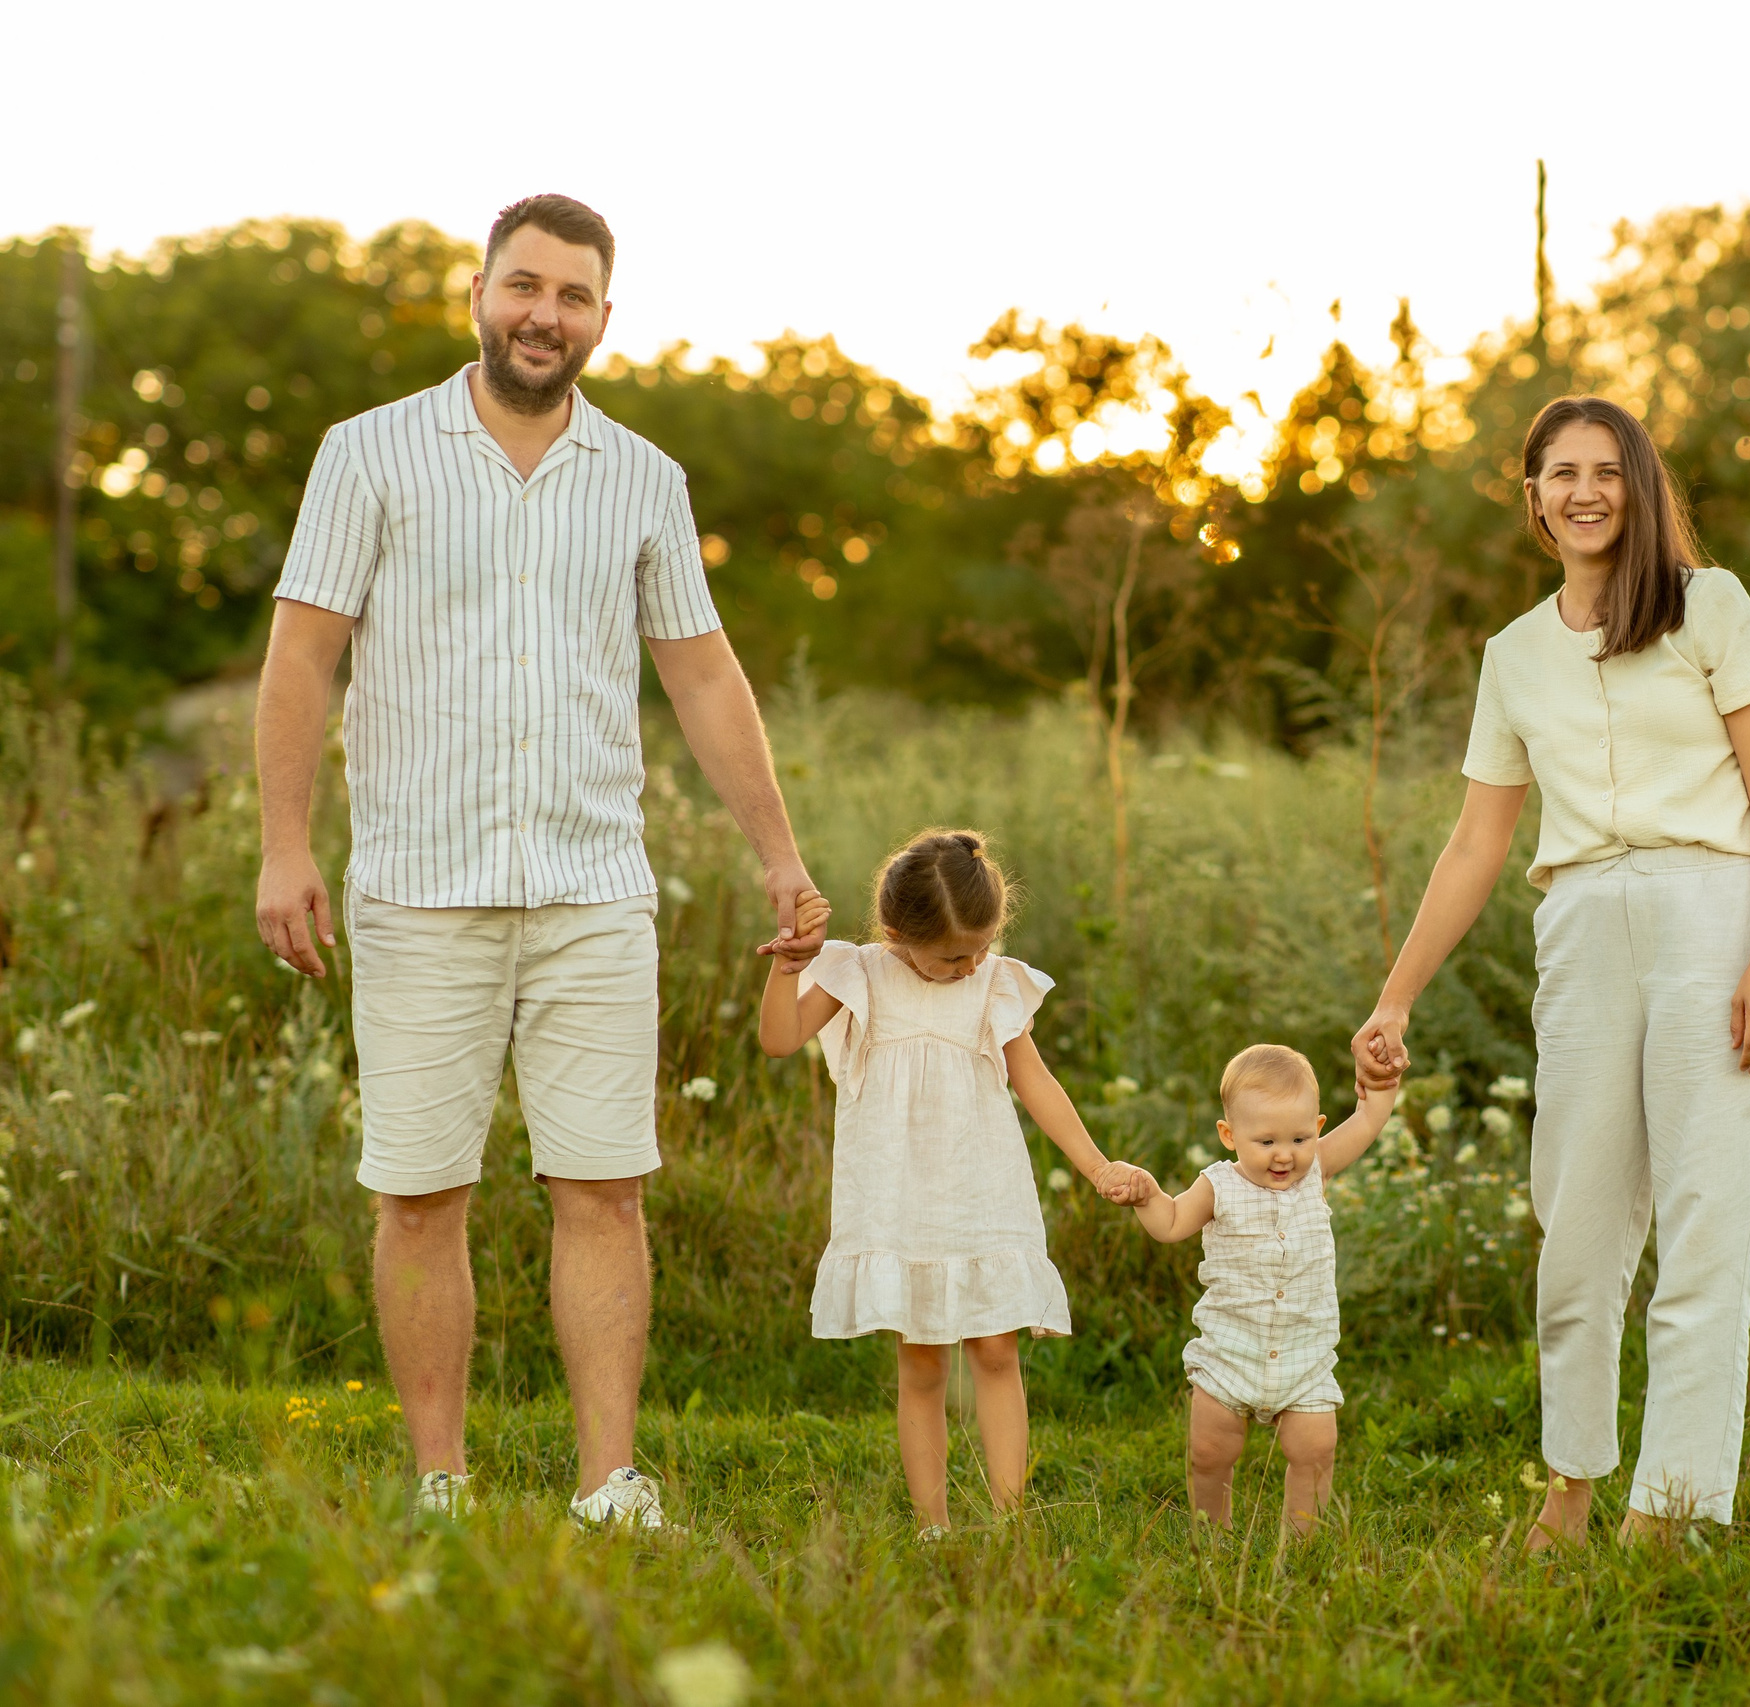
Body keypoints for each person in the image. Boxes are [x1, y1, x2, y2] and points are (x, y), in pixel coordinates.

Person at [255, 194, 823, 1529]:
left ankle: (608, 1480)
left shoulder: (645, 479)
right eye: (525, 285)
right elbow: (302, 656)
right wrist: (286, 844)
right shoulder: (369, 453)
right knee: (419, 1192)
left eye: (572, 296)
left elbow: (702, 672)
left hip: (591, 892)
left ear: (602, 320)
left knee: (604, 1186)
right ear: (479, 292)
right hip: (417, 884)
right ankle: (439, 1481)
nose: (543, 314)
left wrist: (780, 856)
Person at [1351, 395, 1750, 1548]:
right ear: (1534, 497)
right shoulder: (1511, 656)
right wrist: (1395, 996)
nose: (1585, 490)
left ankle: (1673, 1511)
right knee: (1578, 1229)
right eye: (1562, 472)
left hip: (1715, 914)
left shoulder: (1710, 607)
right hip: (1583, 928)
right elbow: (1476, 842)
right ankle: (1571, 1488)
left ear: (1640, 487)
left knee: (1706, 1227)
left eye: (1608, 470)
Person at [758, 830, 1135, 1538]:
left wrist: (1097, 1164)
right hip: (897, 1196)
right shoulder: (859, 973)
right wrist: (787, 968)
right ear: (897, 934)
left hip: (981, 1189)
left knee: (996, 1348)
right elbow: (778, 1040)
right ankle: (934, 1525)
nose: (970, 966)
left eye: (981, 948)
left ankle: (1008, 1518)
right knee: (923, 1361)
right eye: (953, 955)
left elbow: (1037, 1084)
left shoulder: (994, 983)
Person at [1112, 1043, 1400, 1536]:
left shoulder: (1317, 1171)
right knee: (1209, 1453)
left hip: (1304, 1354)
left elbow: (1369, 1122)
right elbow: (1172, 1223)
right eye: (1265, 1141)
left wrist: (1381, 1086)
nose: (1285, 1154)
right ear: (1229, 1135)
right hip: (1231, 1349)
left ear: (1319, 1128)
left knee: (1315, 1450)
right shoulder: (1218, 1186)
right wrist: (1147, 1195)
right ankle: (1212, 1534)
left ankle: (1302, 1545)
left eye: (1300, 1137)